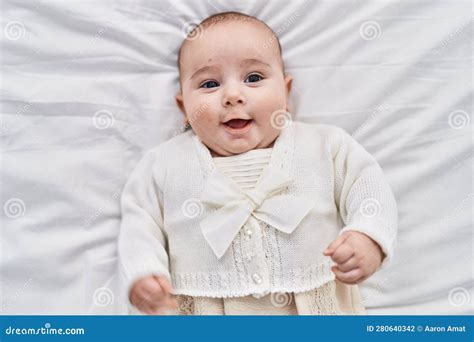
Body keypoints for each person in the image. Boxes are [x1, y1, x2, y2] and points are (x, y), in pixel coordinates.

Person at [118, 11, 398, 315]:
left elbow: (368, 185)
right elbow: (139, 222)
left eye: (254, 78)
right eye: (210, 84)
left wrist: (369, 235)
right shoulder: (164, 164)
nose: (233, 95)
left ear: (286, 93)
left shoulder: (324, 146)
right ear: (184, 107)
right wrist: (143, 271)